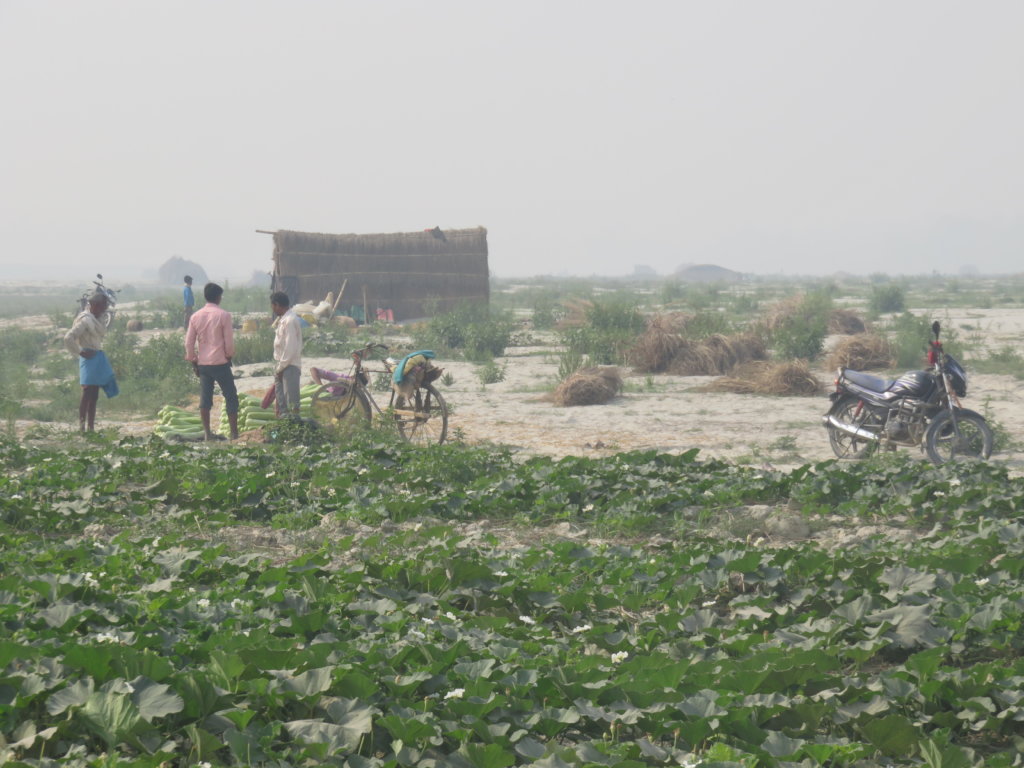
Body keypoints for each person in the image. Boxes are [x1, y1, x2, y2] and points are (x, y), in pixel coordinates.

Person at [184, 282, 239, 440]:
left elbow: (189, 342)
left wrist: (193, 360)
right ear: (218, 297)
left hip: (204, 364)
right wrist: (229, 355)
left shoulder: (195, 316)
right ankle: (234, 433)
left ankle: (207, 434)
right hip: (220, 363)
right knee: (231, 396)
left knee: (205, 399)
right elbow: (228, 342)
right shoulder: (224, 315)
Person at [64, 292, 119, 432]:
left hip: (98, 357)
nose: (104, 309)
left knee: (94, 395)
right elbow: (69, 337)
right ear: (95, 305)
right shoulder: (84, 320)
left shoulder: (97, 319)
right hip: (88, 359)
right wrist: (80, 352)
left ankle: (91, 428)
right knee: (87, 393)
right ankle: (82, 427)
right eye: (102, 306)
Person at [271, 291, 303, 416]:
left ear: (277, 305)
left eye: (273, 306)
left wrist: (281, 368)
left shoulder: (290, 321)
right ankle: (286, 423)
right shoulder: (284, 320)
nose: (273, 309)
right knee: (282, 400)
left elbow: (290, 348)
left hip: (289, 365)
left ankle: (294, 425)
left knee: (292, 401)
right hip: (283, 364)